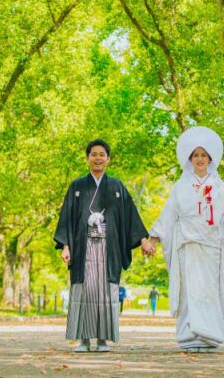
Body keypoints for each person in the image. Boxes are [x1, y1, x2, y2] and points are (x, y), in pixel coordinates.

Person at [144, 126, 224, 352]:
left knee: (209, 291)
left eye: (204, 155)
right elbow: (169, 214)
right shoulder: (180, 186)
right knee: (189, 292)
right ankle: (189, 336)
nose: (200, 159)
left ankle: (209, 336)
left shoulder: (218, 186)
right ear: (190, 159)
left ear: (210, 158)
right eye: (196, 155)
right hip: (187, 247)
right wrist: (154, 239)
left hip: (211, 246)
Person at [54, 139, 150, 353]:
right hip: (83, 248)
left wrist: (143, 239)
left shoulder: (117, 187)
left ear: (108, 159)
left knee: (106, 292)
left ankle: (104, 340)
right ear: (87, 158)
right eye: (94, 154)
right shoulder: (77, 186)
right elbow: (67, 219)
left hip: (109, 248)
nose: (98, 158)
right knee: (85, 291)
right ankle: (84, 339)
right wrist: (65, 246)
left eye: (102, 154)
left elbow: (130, 216)